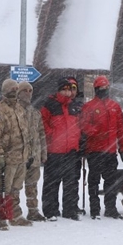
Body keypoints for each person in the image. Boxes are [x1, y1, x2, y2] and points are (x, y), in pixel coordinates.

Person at [80, 75, 123, 218]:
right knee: (94, 181)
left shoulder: (115, 106)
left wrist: (122, 148)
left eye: (106, 87)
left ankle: (110, 208)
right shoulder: (88, 107)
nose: (104, 90)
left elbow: (121, 128)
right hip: (94, 150)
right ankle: (94, 208)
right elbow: (83, 126)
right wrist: (95, 131)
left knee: (110, 182)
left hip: (111, 151)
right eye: (101, 88)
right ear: (96, 89)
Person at [41, 77, 82, 220]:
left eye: (69, 89)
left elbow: (77, 125)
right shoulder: (50, 104)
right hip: (54, 151)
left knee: (70, 183)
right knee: (52, 182)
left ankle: (69, 210)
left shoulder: (74, 106)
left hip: (70, 150)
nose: (67, 92)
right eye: (64, 89)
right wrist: (51, 135)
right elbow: (43, 123)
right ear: (59, 90)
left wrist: (77, 143)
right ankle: (50, 210)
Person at [0, 79, 32, 227]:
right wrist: (0, 155)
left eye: (16, 89)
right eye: (11, 89)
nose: (14, 92)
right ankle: (2, 217)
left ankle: (15, 214)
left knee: (16, 188)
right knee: (4, 189)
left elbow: (25, 132)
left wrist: (28, 152)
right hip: (8, 157)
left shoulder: (20, 109)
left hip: (21, 155)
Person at [18, 81, 46, 222]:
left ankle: (33, 211)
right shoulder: (15, 111)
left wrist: (43, 153)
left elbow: (41, 134)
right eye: (25, 90)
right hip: (19, 156)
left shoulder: (35, 113)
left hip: (34, 155)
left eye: (30, 91)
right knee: (14, 186)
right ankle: (14, 213)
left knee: (32, 185)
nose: (28, 93)